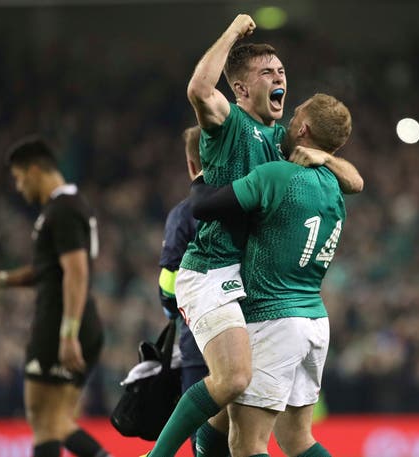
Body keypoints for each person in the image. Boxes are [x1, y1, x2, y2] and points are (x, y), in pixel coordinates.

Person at [141, 14, 362, 457]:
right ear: (241, 89)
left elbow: (355, 180)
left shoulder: (279, 137)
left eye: (281, 72)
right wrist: (232, 32)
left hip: (245, 283)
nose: (279, 78)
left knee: (231, 412)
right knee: (234, 381)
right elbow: (199, 91)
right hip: (209, 269)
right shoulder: (229, 121)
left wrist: (322, 157)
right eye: (267, 73)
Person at [190, 93, 357, 457]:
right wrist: (328, 158)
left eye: (296, 114)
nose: (289, 116)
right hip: (313, 318)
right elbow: (357, 180)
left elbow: (202, 206)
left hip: (273, 318)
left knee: (247, 443)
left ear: (303, 128)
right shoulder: (333, 183)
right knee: (297, 440)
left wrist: (203, 173)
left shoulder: (278, 175)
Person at [0, 136, 110, 457]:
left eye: (19, 176)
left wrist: (67, 333)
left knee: (43, 419)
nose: (18, 186)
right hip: (80, 320)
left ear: (36, 170)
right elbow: (46, 270)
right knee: (57, 421)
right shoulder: (69, 205)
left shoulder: (63, 209)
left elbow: (76, 271)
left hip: (58, 323)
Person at [157, 125, 229, 457]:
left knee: (202, 442)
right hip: (245, 337)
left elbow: (169, 282)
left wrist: (172, 311)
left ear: (190, 165)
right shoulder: (244, 201)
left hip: (199, 343)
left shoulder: (184, 213)